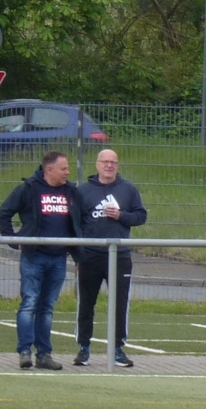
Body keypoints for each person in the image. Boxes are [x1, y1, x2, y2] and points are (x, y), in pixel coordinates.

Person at [0, 150, 82, 370]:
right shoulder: (28, 189)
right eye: (63, 169)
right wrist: (14, 241)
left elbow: (79, 222)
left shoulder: (71, 192)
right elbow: (3, 214)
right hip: (34, 257)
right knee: (29, 304)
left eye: (68, 168)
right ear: (49, 169)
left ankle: (44, 354)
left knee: (47, 307)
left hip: (59, 258)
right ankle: (25, 351)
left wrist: (76, 251)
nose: (67, 172)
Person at [73, 147, 146, 368]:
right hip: (90, 256)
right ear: (97, 165)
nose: (109, 166)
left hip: (120, 256)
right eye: (105, 162)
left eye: (113, 162)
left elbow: (140, 216)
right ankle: (83, 348)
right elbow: (76, 222)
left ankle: (117, 349)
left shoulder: (128, 189)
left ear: (117, 165)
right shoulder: (84, 191)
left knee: (120, 304)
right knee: (86, 302)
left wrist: (121, 215)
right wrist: (78, 251)